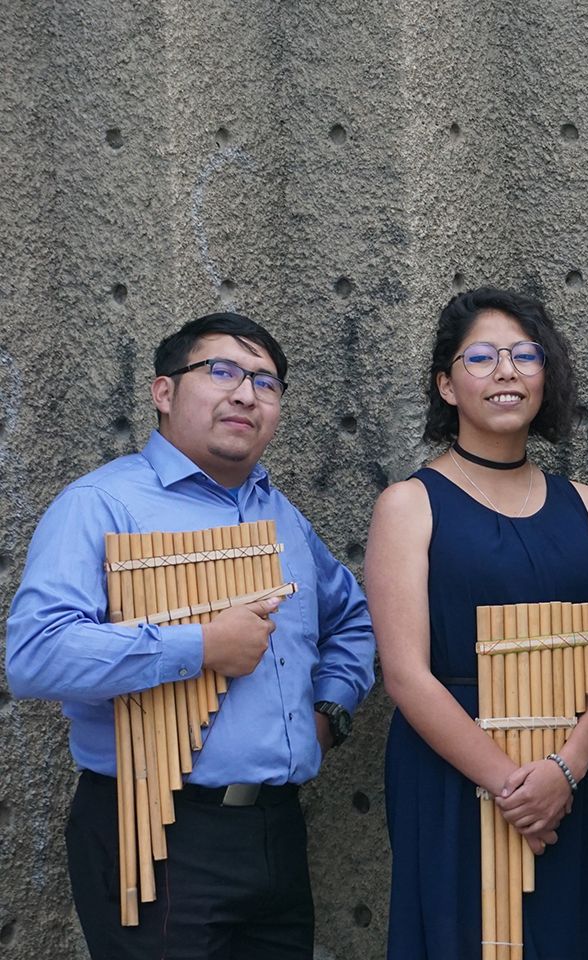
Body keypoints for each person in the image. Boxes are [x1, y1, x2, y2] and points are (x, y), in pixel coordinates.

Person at [4, 312, 374, 956]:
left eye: (266, 381)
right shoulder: (100, 505)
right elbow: (35, 657)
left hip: (276, 831)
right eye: (222, 371)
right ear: (164, 392)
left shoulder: (281, 515)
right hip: (153, 831)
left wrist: (329, 711)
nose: (245, 393)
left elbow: (353, 620)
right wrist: (198, 646)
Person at [366, 288, 588, 960]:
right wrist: (511, 786)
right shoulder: (409, 505)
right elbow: (405, 674)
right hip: (454, 770)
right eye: (481, 358)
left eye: (525, 355)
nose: (507, 372)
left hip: (567, 772)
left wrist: (563, 773)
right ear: (447, 385)